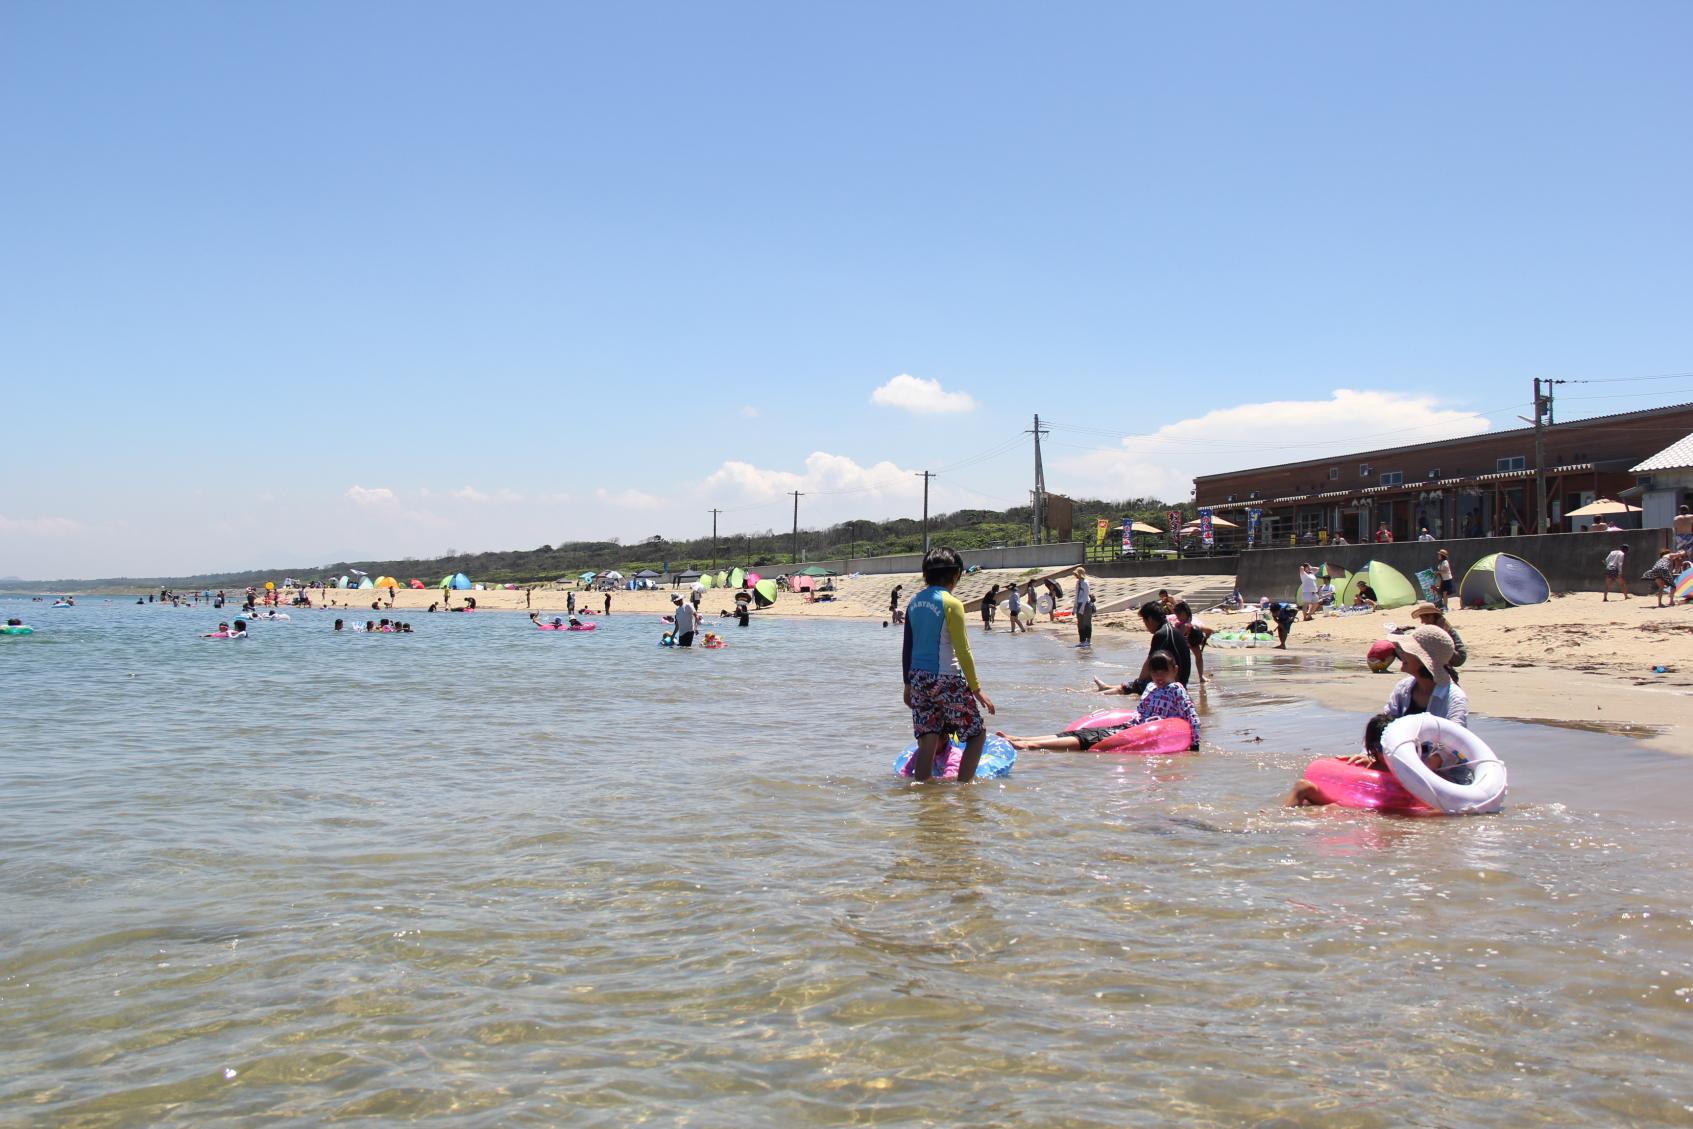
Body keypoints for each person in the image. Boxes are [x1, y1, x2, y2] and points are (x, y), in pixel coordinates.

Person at [902, 547, 996, 782]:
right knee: (977, 735)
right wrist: (976, 689)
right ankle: (965, 793)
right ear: (957, 575)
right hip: (946, 678)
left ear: (925, 574)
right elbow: (963, 649)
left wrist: (907, 684)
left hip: (918, 678)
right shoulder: (952, 603)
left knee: (928, 739)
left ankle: (922, 795)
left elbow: (907, 647)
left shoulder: (914, 603)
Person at [1000, 652, 1199, 752]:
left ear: (1174, 670)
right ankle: (1023, 737)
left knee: (1088, 740)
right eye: (1155, 672)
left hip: (1150, 732)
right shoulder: (1150, 688)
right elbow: (1140, 712)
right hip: (1133, 728)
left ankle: (1031, 745)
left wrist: (1194, 745)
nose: (1159, 676)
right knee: (1080, 733)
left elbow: (1192, 717)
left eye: (1163, 671)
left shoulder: (1176, 689)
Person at [1284, 713, 1395, 806]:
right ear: (1372, 748)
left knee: (1334, 808)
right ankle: (1285, 821)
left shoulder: (1405, 768)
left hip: (1378, 806)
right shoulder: (1370, 765)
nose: (1386, 752)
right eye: (1380, 747)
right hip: (1354, 801)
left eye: (1390, 746)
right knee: (1302, 786)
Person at [1092, 601, 1192, 694]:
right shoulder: (1172, 629)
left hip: (1175, 682)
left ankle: (1102, 694)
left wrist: (1138, 683)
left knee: (1138, 685)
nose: (1146, 626)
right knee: (1141, 682)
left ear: (1150, 619)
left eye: (1145, 622)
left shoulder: (1161, 634)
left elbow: (1149, 662)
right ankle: (1106, 687)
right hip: (1181, 680)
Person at [1382, 625, 1468, 725]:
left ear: (1423, 660)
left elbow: (1455, 736)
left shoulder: (1454, 698)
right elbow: (1386, 726)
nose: (1403, 654)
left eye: (1408, 651)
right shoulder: (1403, 687)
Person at [1173, 601, 1214, 683]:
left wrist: (1205, 638)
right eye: (1176, 615)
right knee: (1178, 660)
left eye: (1179, 614)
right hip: (1182, 642)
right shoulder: (1180, 624)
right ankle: (1175, 678)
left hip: (1192, 640)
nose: (1177, 617)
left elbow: (1209, 630)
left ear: (1185, 613)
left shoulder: (1194, 624)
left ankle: (1201, 676)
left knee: (1198, 656)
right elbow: (1176, 637)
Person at [1072, 568, 1093, 647]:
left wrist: (1082, 608)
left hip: (1086, 604)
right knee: (1080, 624)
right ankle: (1082, 641)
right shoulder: (1078, 583)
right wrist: (1074, 608)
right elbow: (1076, 595)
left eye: (1076, 574)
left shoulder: (1085, 583)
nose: (1075, 576)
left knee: (1087, 623)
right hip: (1079, 604)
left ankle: (1088, 640)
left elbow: (1085, 596)